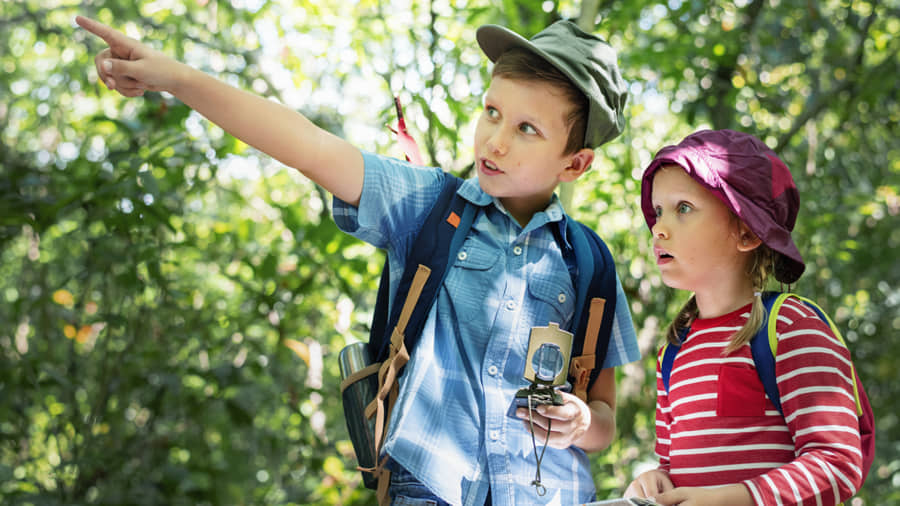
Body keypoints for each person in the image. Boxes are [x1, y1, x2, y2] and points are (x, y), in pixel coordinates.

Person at [76, 15, 641, 505]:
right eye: (492, 112)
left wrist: (584, 423)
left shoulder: (589, 262)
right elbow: (308, 145)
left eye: (526, 129)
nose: (494, 141)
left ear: (576, 164)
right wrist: (173, 76)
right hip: (431, 491)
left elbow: (605, 418)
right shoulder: (430, 207)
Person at [625, 129, 864, 505]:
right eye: (658, 211)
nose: (658, 228)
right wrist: (655, 480)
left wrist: (739, 498)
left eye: (683, 208)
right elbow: (673, 466)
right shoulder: (672, 352)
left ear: (747, 232)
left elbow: (838, 464)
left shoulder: (790, 329)